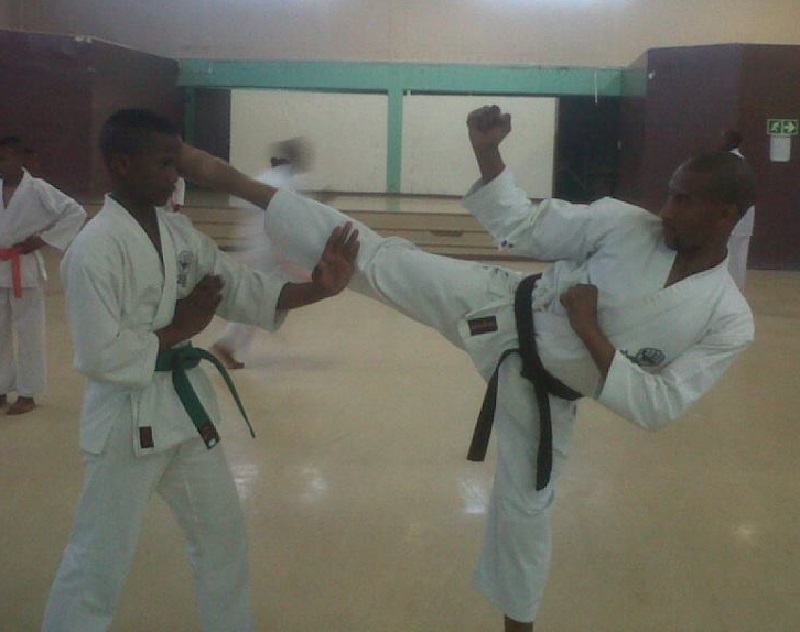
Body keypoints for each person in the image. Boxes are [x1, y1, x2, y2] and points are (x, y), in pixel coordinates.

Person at [177, 105, 756, 632]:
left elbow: (658, 406)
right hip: (500, 305)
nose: (666, 210)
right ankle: (233, 181)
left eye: (685, 200)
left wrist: (590, 330)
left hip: (548, 392)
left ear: (726, 213)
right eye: (671, 194)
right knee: (376, 256)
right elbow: (524, 225)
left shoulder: (727, 319)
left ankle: (518, 628)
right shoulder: (627, 225)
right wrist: (488, 152)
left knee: (527, 508)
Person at [42, 109, 359, 631]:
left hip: (187, 416)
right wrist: (181, 328)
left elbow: (242, 287)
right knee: (98, 559)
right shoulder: (93, 249)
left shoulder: (178, 233)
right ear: (122, 164)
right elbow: (100, 356)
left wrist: (317, 289)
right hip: (125, 423)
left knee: (222, 538)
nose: (175, 176)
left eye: (177, 163)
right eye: (164, 163)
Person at [0, 136, 86, 415]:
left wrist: (42, 240)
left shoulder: (37, 189)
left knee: (29, 332)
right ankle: (1, 387)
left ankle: (28, 392)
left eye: (4, 158)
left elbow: (75, 212)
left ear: (19, 158)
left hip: (23, 266)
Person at [211, 141, 311, 369]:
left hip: (251, 240)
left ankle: (231, 342)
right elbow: (293, 217)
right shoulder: (289, 182)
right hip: (269, 247)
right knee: (259, 299)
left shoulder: (262, 177)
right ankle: (227, 343)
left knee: (257, 297)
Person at [718, 128, 755, 290]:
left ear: (731, 141)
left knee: (736, 256)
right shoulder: (734, 161)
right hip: (737, 217)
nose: (720, 142)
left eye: (723, 138)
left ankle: (734, 288)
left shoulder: (734, 163)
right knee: (734, 256)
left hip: (737, 216)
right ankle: (732, 287)